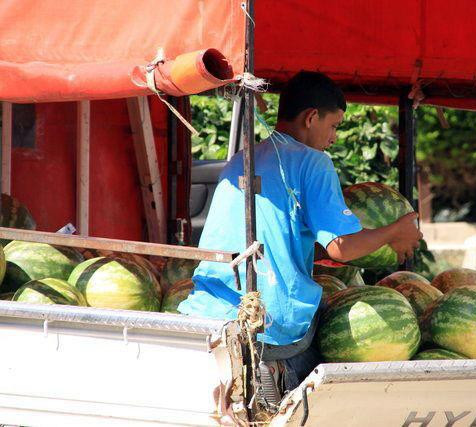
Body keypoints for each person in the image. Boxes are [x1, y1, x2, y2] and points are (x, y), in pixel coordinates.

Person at [178, 71, 422, 391]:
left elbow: (283, 236)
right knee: (336, 345)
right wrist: (395, 232)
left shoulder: (242, 160)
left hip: (208, 310)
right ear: (311, 117)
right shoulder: (313, 162)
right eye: (333, 126)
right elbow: (341, 247)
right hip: (267, 325)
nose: (334, 137)